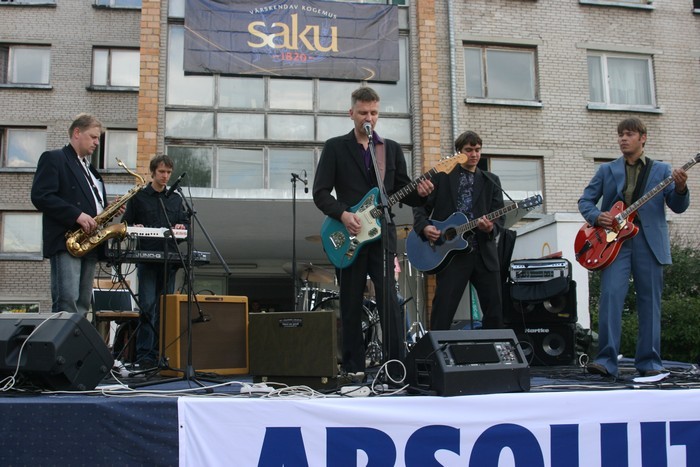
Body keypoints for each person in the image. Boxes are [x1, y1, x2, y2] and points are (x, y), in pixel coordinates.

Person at [313, 86, 433, 380]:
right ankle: (353, 368)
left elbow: (403, 190)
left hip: (382, 236)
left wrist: (422, 193)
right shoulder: (335, 147)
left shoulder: (390, 149)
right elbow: (320, 193)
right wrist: (344, 214)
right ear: (351, 113)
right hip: (349, 234)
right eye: (363, 112)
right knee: (351, 302)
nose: (369, 118)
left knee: (390, 300)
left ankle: (396, 367)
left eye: (374, 113)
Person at [579, 117, 689, 378]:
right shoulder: (607, 170)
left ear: (643, 138)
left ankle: (649, 362)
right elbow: (585, 201)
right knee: (610, 297)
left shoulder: (661, 170)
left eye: (629, 134)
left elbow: (678, 206)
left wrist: (681, 187)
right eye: (620, 135)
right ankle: (606, 361)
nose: (623, 139)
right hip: (613, 243)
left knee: (650, 302)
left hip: (649, 241)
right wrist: (598, 216)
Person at [412, 130, 505, 331]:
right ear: (459, 152)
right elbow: (420, 206)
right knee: (443, 310)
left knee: (495, 311)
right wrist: (425, 226)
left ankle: (495, 348)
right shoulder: (443, 177)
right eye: (469, 150)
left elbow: (500, 217)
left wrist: (491, 227)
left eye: (478, 150)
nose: (474, 154)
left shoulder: (491, 180)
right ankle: (436, 349)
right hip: (451, 254)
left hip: (483, 253)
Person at [31, 114, 111, 317]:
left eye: (98, 138)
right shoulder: (54, 158)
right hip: (67, 240)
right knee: (67, 301)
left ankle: (76, 338)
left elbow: (90, 203)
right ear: (77, 133)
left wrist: (107, 210)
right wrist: (77, 215)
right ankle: (64, 339)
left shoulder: (90, 169)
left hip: (89, 241)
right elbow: (41, 196)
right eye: (93, 137)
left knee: (83, 303)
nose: (97, 142)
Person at [122, 155, 188, 368]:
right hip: (147, 259)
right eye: (161, 172)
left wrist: (181, 228)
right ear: (153, 172)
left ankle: (164, 354)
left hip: (169, 260)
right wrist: (135, 228)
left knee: (166, 309)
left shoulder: (175, 199)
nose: (165, 176)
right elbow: (125, 224)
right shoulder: (139, 197)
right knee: (148, 306)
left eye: (168, 172)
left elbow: (185, 227)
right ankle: (145, 356)